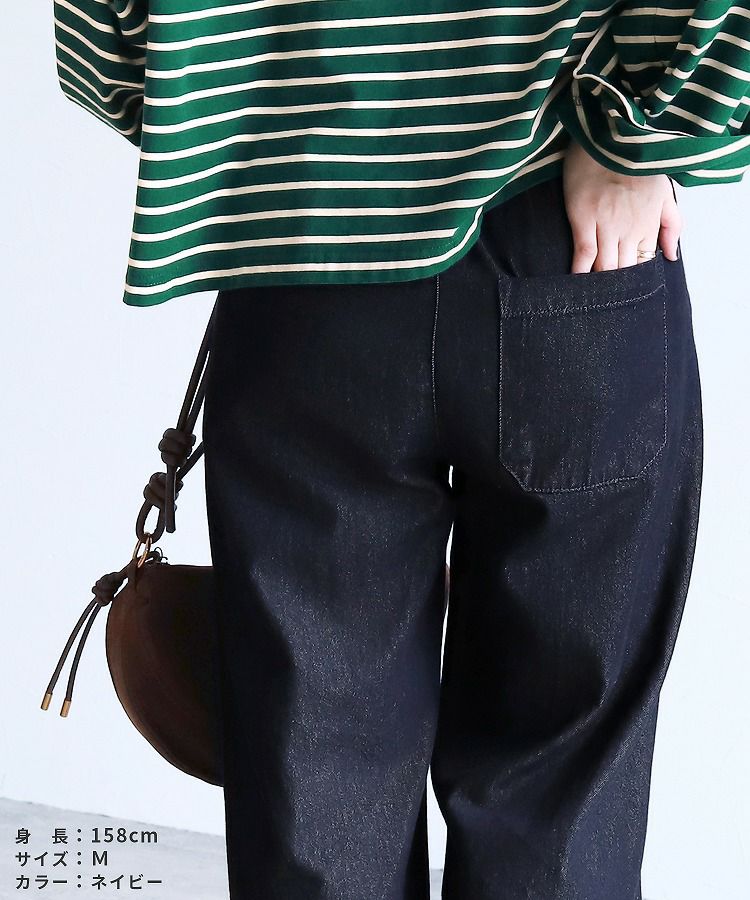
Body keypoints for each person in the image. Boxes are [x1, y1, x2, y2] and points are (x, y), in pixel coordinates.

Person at [54, 2, 749, 898]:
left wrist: (240, 113)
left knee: (314, 798)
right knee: (561, 812)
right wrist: (638, 137)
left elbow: (106, 37)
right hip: (571, 243)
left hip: (302, 246)